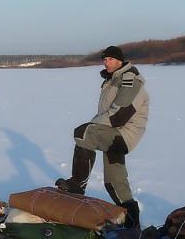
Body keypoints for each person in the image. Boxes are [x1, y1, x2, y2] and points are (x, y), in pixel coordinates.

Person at [55, 45, 149, 227]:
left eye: (111, 59)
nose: (107, 63)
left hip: (123, 133)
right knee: (114, 182)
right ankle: (132, 223)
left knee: (83, 133)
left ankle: (77, 183)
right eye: (105, 60)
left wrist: (92, 126)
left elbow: (119, 114)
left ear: (120, 61)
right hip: (114, 133)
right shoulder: (113, 80)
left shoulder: (130, 80)